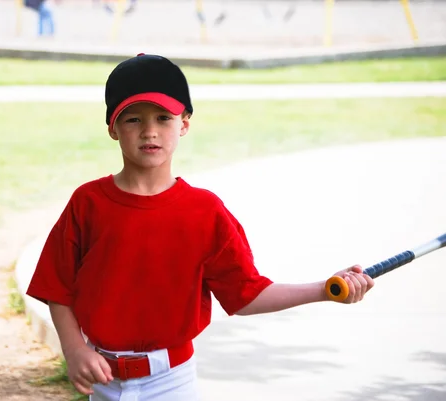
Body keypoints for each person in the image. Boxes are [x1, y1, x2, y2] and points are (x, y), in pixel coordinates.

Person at [26, 53, 374, 401]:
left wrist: (323, 289)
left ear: (185, 124)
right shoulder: (88, 203)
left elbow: (246, 294)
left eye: (164, 118)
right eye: (133, 119)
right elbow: (57, 288)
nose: (149, 131)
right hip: (102, 381)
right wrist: (73, 349)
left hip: (171, 384)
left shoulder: (204, 211)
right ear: (112, 128)